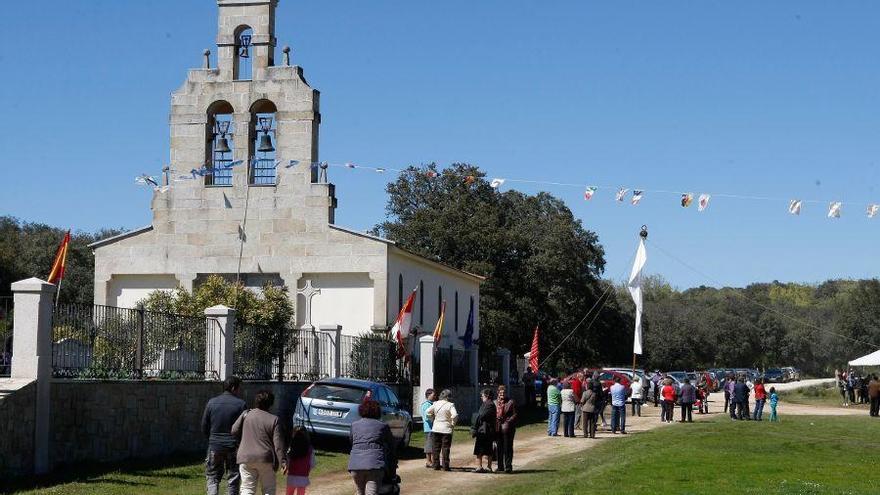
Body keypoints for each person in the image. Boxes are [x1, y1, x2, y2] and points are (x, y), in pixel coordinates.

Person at [232, 390, 286, 495]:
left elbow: (234, 430)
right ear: (271, 404)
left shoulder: (246, 414)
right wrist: (283, 461)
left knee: (247, 488)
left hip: (245, 457)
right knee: (268, 489)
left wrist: (242, 442)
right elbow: (278, 444)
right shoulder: (274, 419)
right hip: (265, 458)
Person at [202, 375, 247, 495]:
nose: (239, 391)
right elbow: (244, 428)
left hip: (215, 446)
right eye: (238, 388)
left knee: (212, 476)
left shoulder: (211, 403)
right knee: (233, 477)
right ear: (233, 388)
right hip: (233, 447)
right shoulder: (241, 405)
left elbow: (204, 426)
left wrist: (212, 440)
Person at [348, 399, 395, 494]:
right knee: (371, 492)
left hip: (355, 464)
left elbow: (352, 441)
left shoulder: (354, 425)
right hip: (375, 465)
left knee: (359, 492)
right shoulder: (383, 426)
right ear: (377, 411)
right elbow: (391, 445)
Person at [426, 389, 458, 471]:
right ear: (448, 397)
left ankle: (436, 465)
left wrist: (432, 419)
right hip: (446, 429)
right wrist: (452, 424)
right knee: (445, 448)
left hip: (436, 428)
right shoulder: (450, 405)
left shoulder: (435, 403)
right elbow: (454, 415)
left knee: (435, 448)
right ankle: (445, 466)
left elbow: (428, 412)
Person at [471, 388, 496, 473]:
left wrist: (475, 418)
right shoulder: (485, 404)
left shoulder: (490, 404)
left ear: (487, 396)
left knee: (487, 449)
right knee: (479, 449)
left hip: (487, 430)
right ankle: (479, 466)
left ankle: (488, 467)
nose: (481, 397)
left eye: (482, 395)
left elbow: (481, 415)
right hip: (482, 429)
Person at [494, 384, 518, 473]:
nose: (502, 395)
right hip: (497, 428)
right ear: (498, 393)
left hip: (508, 428)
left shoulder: (511, 402)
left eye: (503, 393)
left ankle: (508, 466)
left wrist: (508, 421)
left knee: (508, 448)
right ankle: (500, 466)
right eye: (500, 393)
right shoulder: (495, 403)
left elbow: (515, 414)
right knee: (499, 447)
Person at [285, 426, 315, 495]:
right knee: (301, 493)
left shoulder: (291, 448)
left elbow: (287, 461)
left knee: (289, 493)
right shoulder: (310, 449)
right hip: (303, 476)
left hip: (292, 476)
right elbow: (312, 464)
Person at [420, 388, 436, 468]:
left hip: (432, 428)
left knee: (433, 445)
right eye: (433, 395)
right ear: (428, 395)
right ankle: (429, 461)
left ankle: (433, 461)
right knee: (429, 445)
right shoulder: (426, 405)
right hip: (429, 428)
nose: (434, 397)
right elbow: (427, 417)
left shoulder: (432, 404)